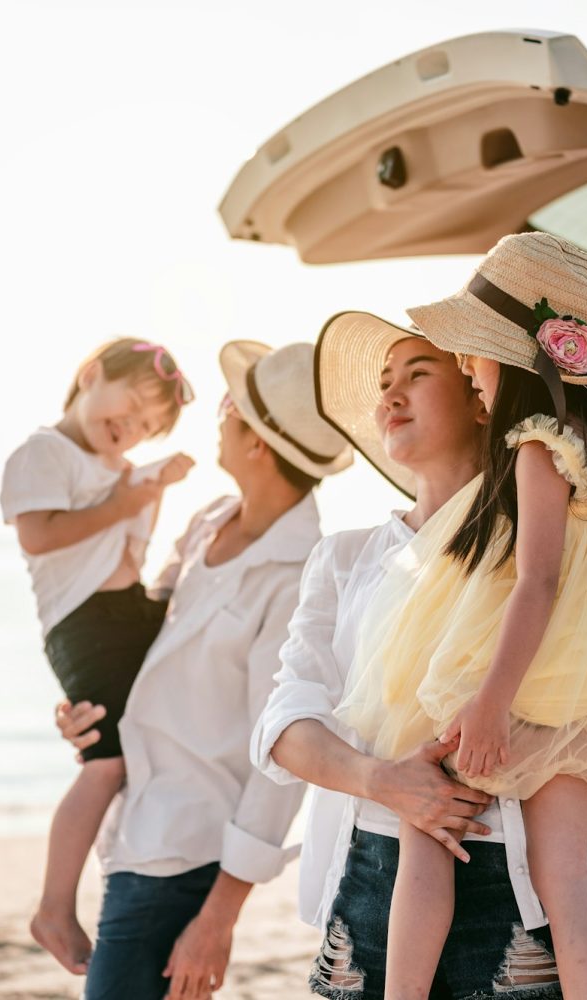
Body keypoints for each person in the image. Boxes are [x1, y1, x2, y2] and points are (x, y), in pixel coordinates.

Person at [335, 232, 587, 999]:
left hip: (517, 672)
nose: (469, 369)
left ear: (510, 356)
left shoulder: (538, 446)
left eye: (473, 353)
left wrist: (492, 702)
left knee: (429, 836)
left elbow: (536, 581)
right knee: (566, 874)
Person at [252, 315, 587, 1000]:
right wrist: (382, 779)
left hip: (525, 898)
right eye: (383, 383)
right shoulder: (343, 558)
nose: (389, 396)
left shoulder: (558, 531)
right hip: (373, 881)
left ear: (480, 394)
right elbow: (283, 724)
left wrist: (530, 740)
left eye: (416, 375)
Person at [56, 340, 352, 1000]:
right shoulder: (206, 522)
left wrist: (218, 919)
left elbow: (284, 762)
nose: (217, 415)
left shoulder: (297, 580)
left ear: (258, 445)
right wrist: (86, 704)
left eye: (230, 408)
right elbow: (138, 646)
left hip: (188, 858)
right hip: (137, 829)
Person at [0, 337, 195, 973]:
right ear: (90, 375)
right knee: (105, 763)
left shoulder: (122, 474)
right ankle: (54, 908)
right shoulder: (43, 452)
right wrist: (128, 498)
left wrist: (152, 491)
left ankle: (138, 876)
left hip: (128, 609)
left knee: (155, 747)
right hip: (82, 624)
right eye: (131, 405)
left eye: (147, 426)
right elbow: (41, 533)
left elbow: (131, 556)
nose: (131, 427)